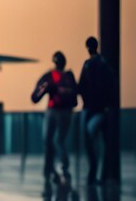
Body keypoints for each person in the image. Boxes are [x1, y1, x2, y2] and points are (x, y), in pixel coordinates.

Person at [31, 51, 78, 182]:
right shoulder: (69, 76)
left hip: (52, 111)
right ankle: (61, 167)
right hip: (66, 112)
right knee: (59, 140)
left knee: (49, 140)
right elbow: (75, 94)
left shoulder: (50, 76)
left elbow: (35, 96)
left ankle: (50, 168)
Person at [78, 36, 116, 184]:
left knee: (90, 143)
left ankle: (92, 174)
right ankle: (104, 174)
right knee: (105, 144)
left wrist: (86, 100)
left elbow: (81, 86)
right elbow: (112, 85)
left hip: (90, 110)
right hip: (103, 110)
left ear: (88, 48)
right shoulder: (105, 64)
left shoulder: (88, 65)